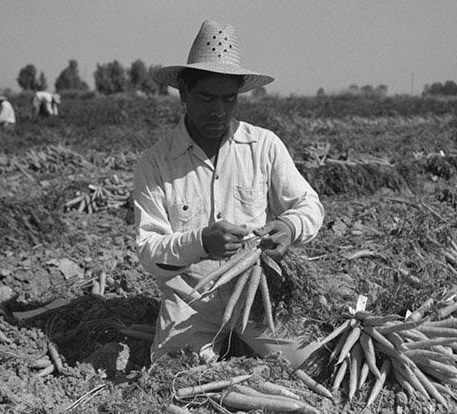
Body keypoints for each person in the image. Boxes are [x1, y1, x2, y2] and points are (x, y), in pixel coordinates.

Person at [133, 20, 324, 364]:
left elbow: (309, 205)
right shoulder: (155, 164)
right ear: (183, 93)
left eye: (228, 98)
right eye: (206, 97)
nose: (218, 111)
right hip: (190, 293)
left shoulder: (263, 145)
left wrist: (289, 227)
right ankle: (225, 344)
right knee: (174, 373)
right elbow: (149, 249)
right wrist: (202, 242)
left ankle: (242, 341)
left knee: (311, 363)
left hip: (256, 289)